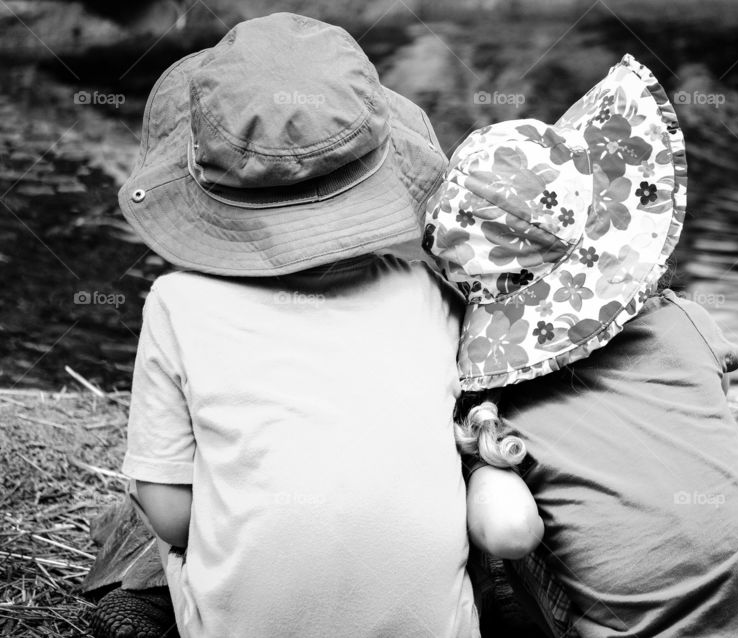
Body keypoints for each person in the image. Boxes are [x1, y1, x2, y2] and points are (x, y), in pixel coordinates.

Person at [425, 54, 738, 637]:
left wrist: (482, 467)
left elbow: (508, 533)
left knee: (511, 547)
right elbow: (722, 373)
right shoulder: (684, 320)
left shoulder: (503, 413)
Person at [114, 13, 478, 637]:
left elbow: (172, 518)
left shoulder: (177, 302)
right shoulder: (429, 291)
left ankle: (132, 605)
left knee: (137, 510)